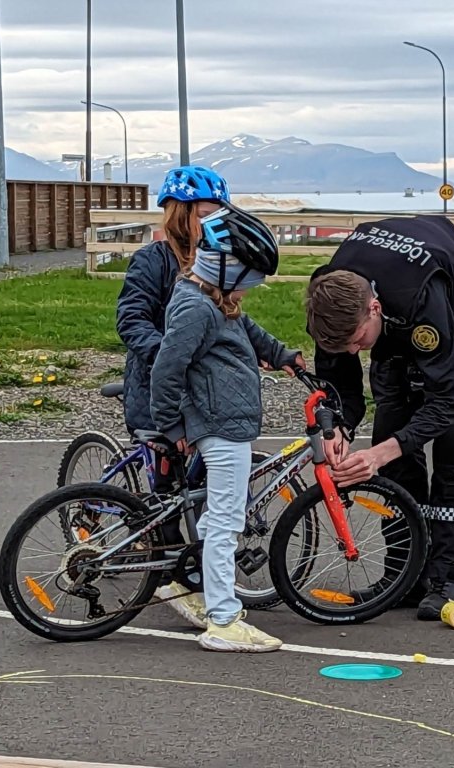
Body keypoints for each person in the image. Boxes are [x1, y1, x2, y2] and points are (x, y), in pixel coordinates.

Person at [305, 214, 454, 621]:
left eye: (358, 341)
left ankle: (446, 581)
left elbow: (448, 398)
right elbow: (337, 374)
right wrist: (338, 425)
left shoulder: (420, 296)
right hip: (397, 326)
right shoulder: (330, 298)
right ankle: (405, 575)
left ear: (374, 308)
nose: (355, 352)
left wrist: (378, 454)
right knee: (395, 451)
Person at [150, 203, 305, 652]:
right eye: (251, 276)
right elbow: (166, 369)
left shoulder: (213, 299)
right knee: (225, 522)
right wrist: (171, 425)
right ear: (228, 268)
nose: (253, 286)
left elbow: (246, 328)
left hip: (228, 422)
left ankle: (207, 597)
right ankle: (223, 619)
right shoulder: (196, 309)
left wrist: (280, 354)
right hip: (220, 428)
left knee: (217, 519)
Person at [116, 164, 232, 624]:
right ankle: (170, 574)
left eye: (218, 213)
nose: (213, 221)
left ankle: (204, 562)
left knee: (203, 480)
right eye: (205, 213)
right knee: (166, 485)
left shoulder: (215, 258)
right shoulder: (153, 260)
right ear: (180, 213)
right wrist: (169, 354)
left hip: (201, 389)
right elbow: (131, 320)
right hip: (157, 387)